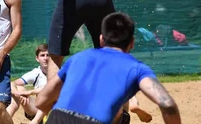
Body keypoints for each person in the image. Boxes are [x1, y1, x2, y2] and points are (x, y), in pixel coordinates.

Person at [35, 12, 181, 124]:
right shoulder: (137, 68)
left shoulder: (78, 58)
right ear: (132, 42)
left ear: (101, 39)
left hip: (57, 118)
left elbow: (41, 101)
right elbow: (167, 104)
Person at [7, 43, 50, 124]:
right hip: (38, 112)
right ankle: (4, 120)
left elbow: (49, 88)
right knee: (19, 88)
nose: (45, 58)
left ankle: (34, 122)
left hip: (54, 111)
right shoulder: (36, 73)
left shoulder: (59, 72)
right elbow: (12, 83)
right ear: (37, 58)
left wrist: (29, 92)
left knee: (49, 93)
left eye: (48, 55)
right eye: (42, 55)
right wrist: (19, 94)